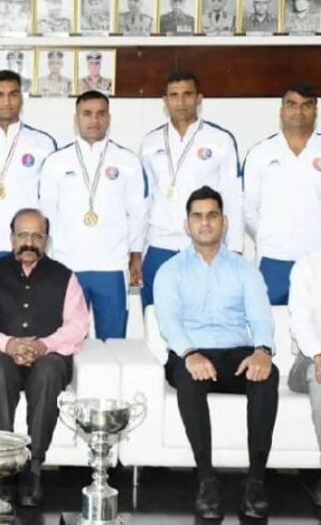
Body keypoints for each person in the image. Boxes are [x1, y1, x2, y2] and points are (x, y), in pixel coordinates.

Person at [154, 186, 277, 520]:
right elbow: (169, 322)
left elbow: (261, 318)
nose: (205, 222)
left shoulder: (245, 269)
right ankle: (206, 481)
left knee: (268, 375)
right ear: (187, 224)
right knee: (187, 376)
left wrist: (263, 351)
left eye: (212, 215)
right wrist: (190, 354)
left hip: (234, 354)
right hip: (190, 353)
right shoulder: (170, 270)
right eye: (197, 216)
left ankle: (255, 482)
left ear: (224, 222)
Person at [0, 208, 88, 506]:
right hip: (1, 355)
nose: (29, 242)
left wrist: (44, 345)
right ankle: (4, 467)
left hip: (48, 356)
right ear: (12, 238)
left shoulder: (65, 277)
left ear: (46, 240)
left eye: (37, 236)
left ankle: (34, 467)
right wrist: (8, 344)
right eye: (22, 235)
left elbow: (78, 325)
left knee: (49, 371)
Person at [40, 91, 146, 339]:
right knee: (68, 340)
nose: (94, 120)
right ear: (76, 118)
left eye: (100, 114)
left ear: (109, 118)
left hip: (112, 265)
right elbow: (46, 215)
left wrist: (136, 253)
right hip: (67, 264)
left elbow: (138, 212)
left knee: (113, 341)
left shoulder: (127, 161)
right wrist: (48, 259)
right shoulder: (56, 162)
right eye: (87, 113)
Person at [139, 70, 242, 307]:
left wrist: (235, 249)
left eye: (187, 94)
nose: (181, 102)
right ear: (165, 101)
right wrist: (138, 250)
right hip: (159, 245)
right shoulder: (150, 142)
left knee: (206, 317)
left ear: (199, 98)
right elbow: (144, 200)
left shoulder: (220, 140)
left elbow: (233, 198)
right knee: (155, 318)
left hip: (204, 246)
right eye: (174, 95)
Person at [0, 70, 57, 289]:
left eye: (13, 94)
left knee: (31, 309)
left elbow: (51, 201)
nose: (6, 101)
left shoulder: (43, 144)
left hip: (27, 247)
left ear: (21, 98)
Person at [243, 82, 321, 305]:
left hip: (317, 257)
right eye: (292, 104)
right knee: (272, 322)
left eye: (306, 105)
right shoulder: (260, 153)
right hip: (273, 259)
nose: (299, 111)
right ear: (281, 110)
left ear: (315, 111)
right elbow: (249, 208)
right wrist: (269, 235)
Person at [287, 249, 321, 506]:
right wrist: (318, 355)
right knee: (318, 373)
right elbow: (300, 322)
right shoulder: (307, 266)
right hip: (308, 358)